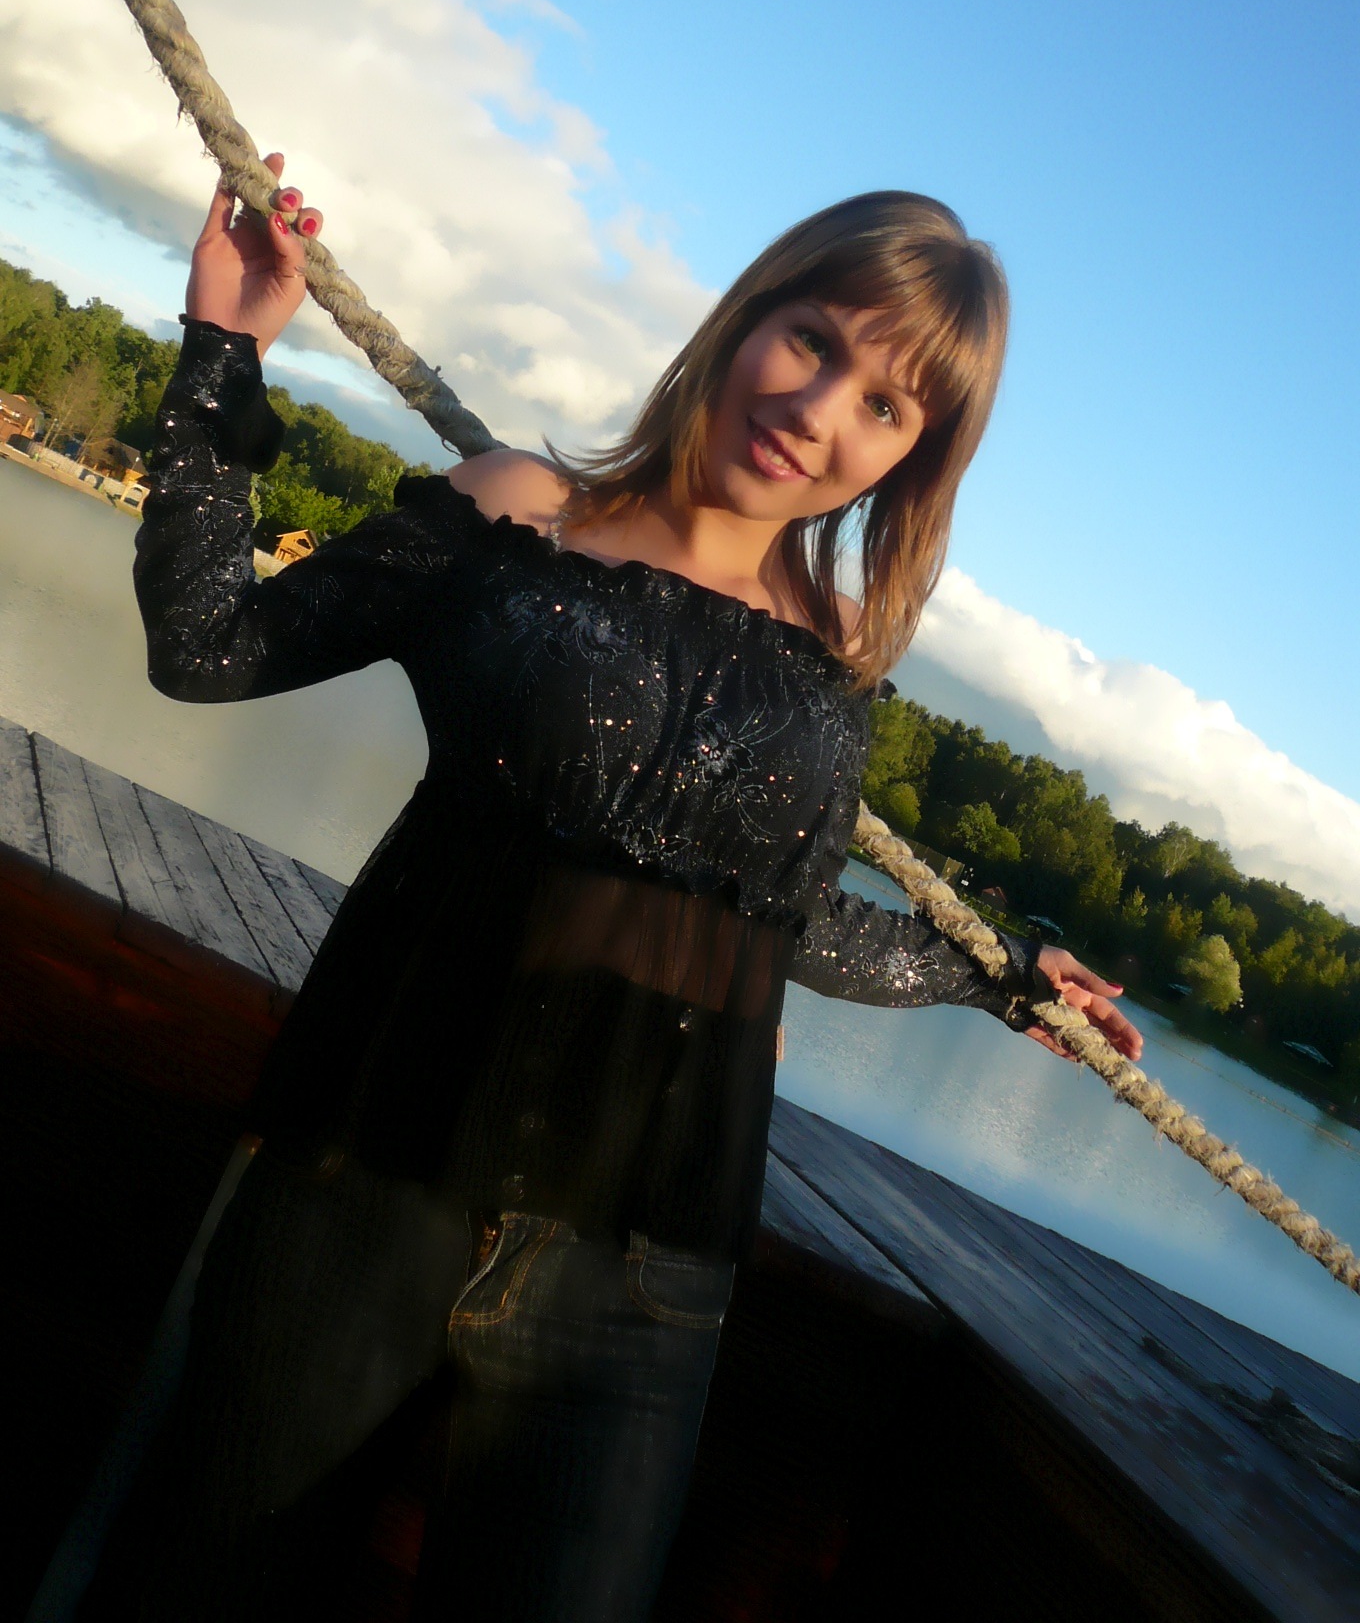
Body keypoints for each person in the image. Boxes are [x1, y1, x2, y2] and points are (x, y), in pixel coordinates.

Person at [113, 161, 1140, 1620]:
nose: (819, 412)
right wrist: (226, 348)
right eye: (813, 341)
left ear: (911, 460)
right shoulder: (517, 514)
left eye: (886, 406)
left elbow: (768, 920)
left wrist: (998, 978)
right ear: (747, 318)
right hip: (362, 1183)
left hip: (643, 1277)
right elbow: (207, 648)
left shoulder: (840, 656)